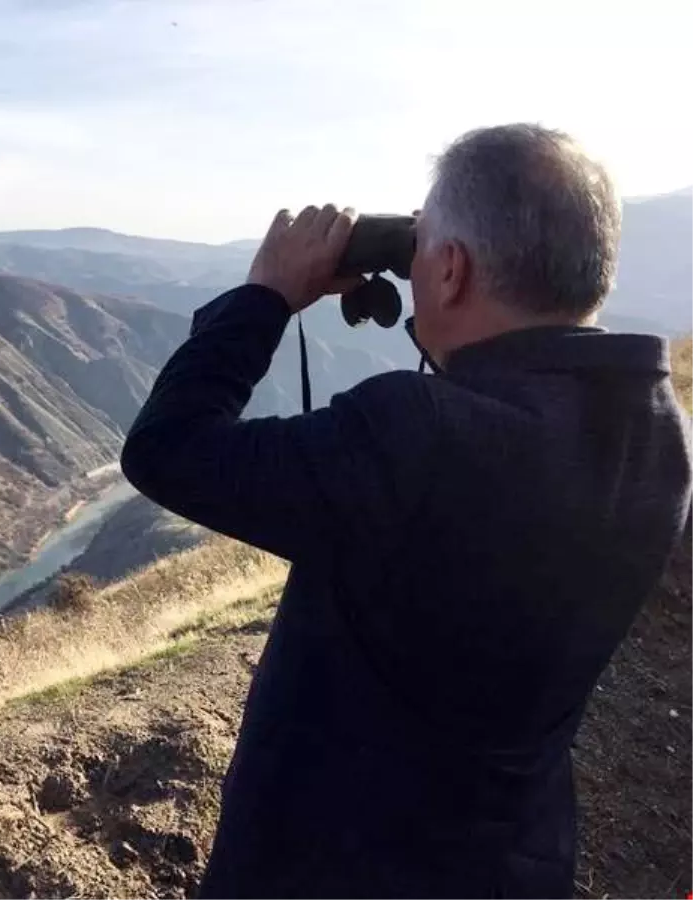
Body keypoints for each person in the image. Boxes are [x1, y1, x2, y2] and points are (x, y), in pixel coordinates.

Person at [119, 123, 692, 899]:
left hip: (331, 868)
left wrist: (264, 294)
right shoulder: (655, 433)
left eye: (428, 252)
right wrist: (429, 273)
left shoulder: (416, 437)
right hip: (515, 861)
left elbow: (167, 449)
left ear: (450, 269)